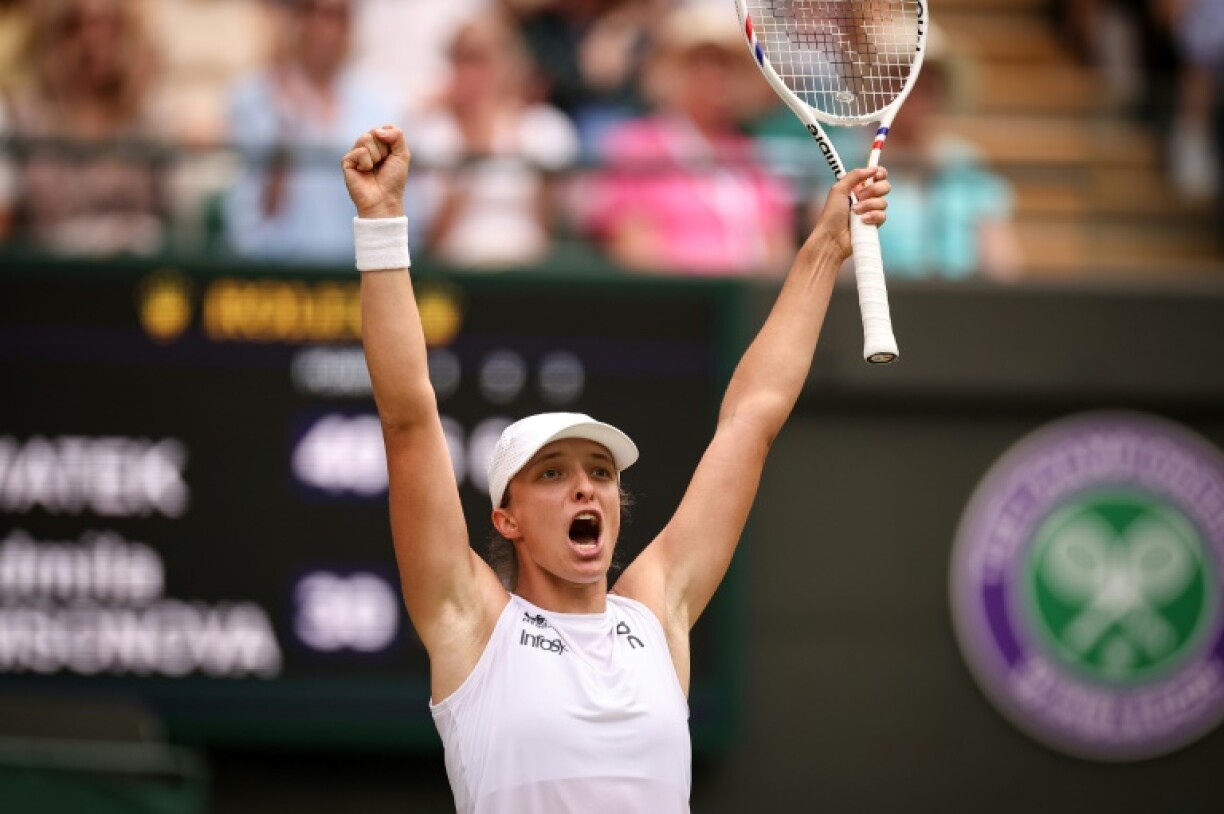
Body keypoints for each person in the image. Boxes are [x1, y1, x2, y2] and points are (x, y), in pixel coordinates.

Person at [341, 122, 889, 810]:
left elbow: (752, 419)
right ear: (505, 518)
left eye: (600, 472)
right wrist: (383, 220)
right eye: (552, 474)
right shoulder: (473, 625)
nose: (584, 486)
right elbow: (409, 419)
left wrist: (826, 247)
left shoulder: (655, 619)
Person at [578, 3, 795, 277]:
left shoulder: (755, 154)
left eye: (726, 65)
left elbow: (777, 248)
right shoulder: (635, 145)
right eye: (700, 63)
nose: (715, 76)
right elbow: (633, 248)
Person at [222, 0, 404, 261]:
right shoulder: (252, 97)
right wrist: (286, 121)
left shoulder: (383, 105)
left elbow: (399, 220)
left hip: (359, 272)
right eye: (312, 13)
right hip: (272, 276)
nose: (324, 29)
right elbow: (250, 224)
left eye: (336, 16)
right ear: (297, 20)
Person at [410, 12, 579, 268]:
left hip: (529, 275)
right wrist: (473, 153)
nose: (473, 72)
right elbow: (430, 240)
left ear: (510, 62)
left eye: (482, 59)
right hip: (455, 275)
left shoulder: (547, 127)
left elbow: (555, 230)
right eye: (463, 59)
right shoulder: (431, 131)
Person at [0, 0, 169, 255]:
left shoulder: (149, 121)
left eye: (110, 26)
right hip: (51, 280)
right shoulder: (26, 119)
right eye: (78, 26)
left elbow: (172, 220)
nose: (96, 39)